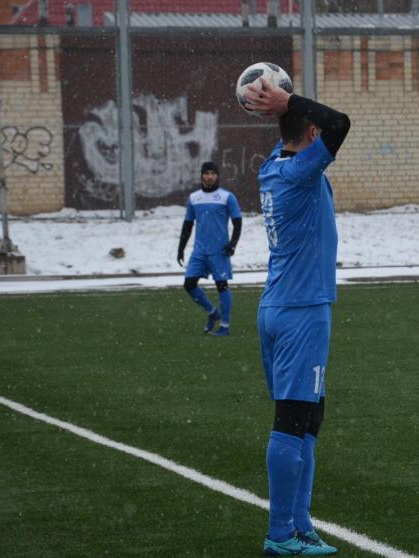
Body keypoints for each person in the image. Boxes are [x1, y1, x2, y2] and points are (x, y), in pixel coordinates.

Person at [243, 78, 350, 556]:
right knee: (291, 419)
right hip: (301, 310)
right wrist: (288, 103)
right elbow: (340, 124)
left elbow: (314, 126)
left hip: (280, 306)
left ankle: (300, 524)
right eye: (315, 133)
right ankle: (280, 533)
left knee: (309, 416)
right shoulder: (299, 171)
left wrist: (282, 110)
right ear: (311, 137)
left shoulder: (273, 165)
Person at [176, 161, 242, 337]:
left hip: (219, 250)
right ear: (202, 176)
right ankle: (213, 313)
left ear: (217, 176)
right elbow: (188, 225)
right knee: (189, 284)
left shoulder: (227, 197)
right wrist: (181, 248)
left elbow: (237, 222)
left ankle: (225, 326)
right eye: (207, 173)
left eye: (213, 173)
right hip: (199, 250)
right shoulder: (194, 198)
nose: (210, 176)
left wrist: (232, 243)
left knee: (222, 286)